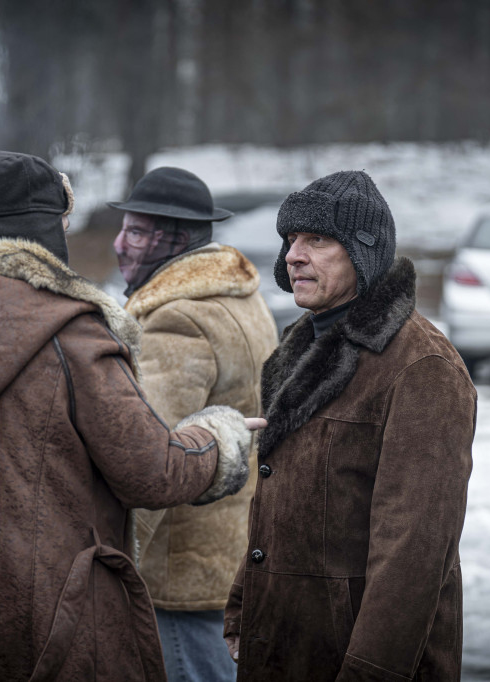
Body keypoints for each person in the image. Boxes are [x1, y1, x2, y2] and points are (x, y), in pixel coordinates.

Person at [0, 151, 262, 680]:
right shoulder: (77, 337)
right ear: (47, 229)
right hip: (57, 630)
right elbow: (153, 472)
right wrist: (220, 433)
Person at [223, 170, 477, 681]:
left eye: (317, 240)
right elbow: (282, 497)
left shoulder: (421, 366)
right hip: (285, 648)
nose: (294, 255)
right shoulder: (297, 352)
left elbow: (414, 552)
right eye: (290, 240)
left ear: (363, 252)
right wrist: (244, 605)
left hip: (364, 662)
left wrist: (369, 671)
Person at [109, 167, 279, 681]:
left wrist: (114, 565)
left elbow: (147, 458)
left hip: (176, 574)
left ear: (178, 239)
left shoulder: (175, 320)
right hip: (225, 553)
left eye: (137, 232)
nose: (119, 244)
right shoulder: (237, 298)